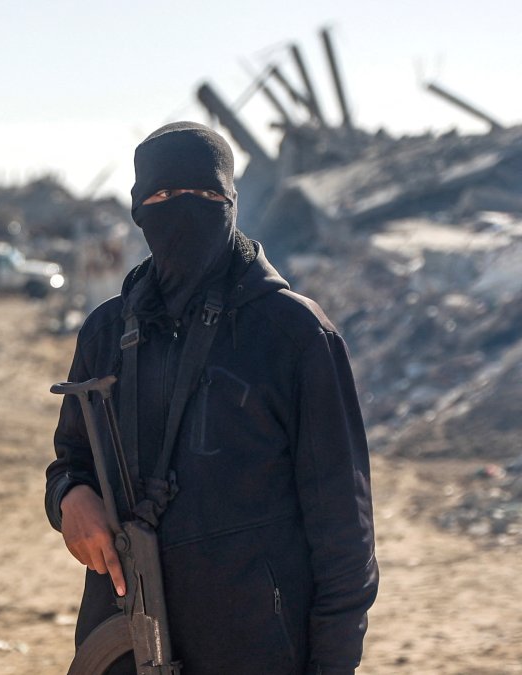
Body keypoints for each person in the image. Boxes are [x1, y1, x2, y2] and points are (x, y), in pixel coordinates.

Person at [45, 122, 377, 674]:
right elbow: (70, 461)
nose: (185, 210)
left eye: (206, 195)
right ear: (138, 210)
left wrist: (335, 663)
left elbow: (345, 529)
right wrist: (68, 500)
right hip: (125, 637)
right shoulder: (105, 334)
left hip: (259, 648)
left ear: (231, 204)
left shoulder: (293, 334)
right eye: (165, 196)